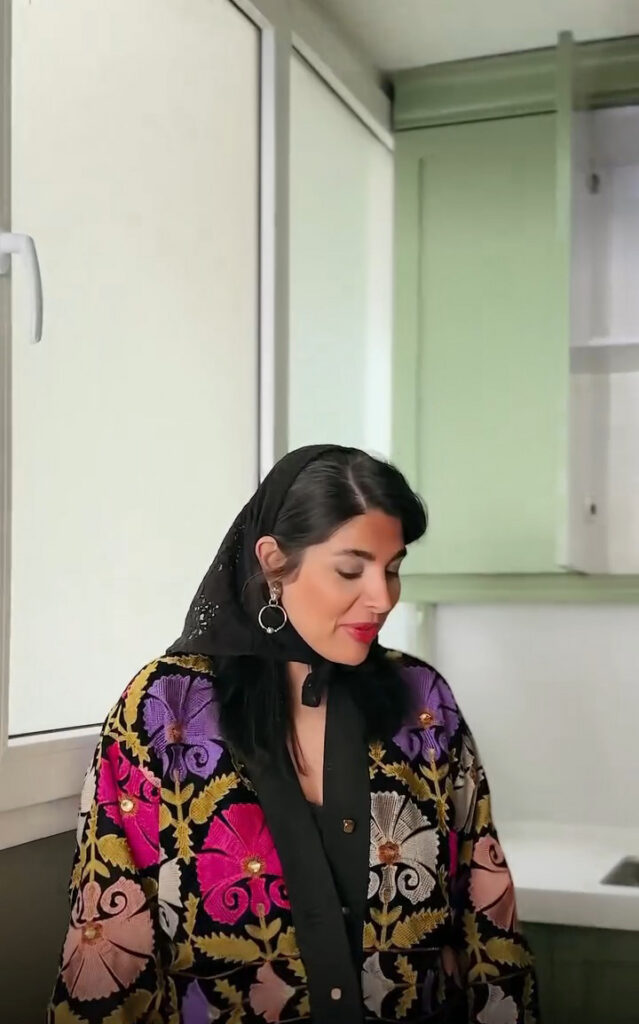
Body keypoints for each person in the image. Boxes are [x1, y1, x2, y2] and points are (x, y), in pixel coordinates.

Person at [48, 445, 539, 1023]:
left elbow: (489, 927)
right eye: (351, 570)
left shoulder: (424, 704)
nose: (383, 598)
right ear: (274, 561)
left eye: (393, 568)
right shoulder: (164, 712)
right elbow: (105, 953)